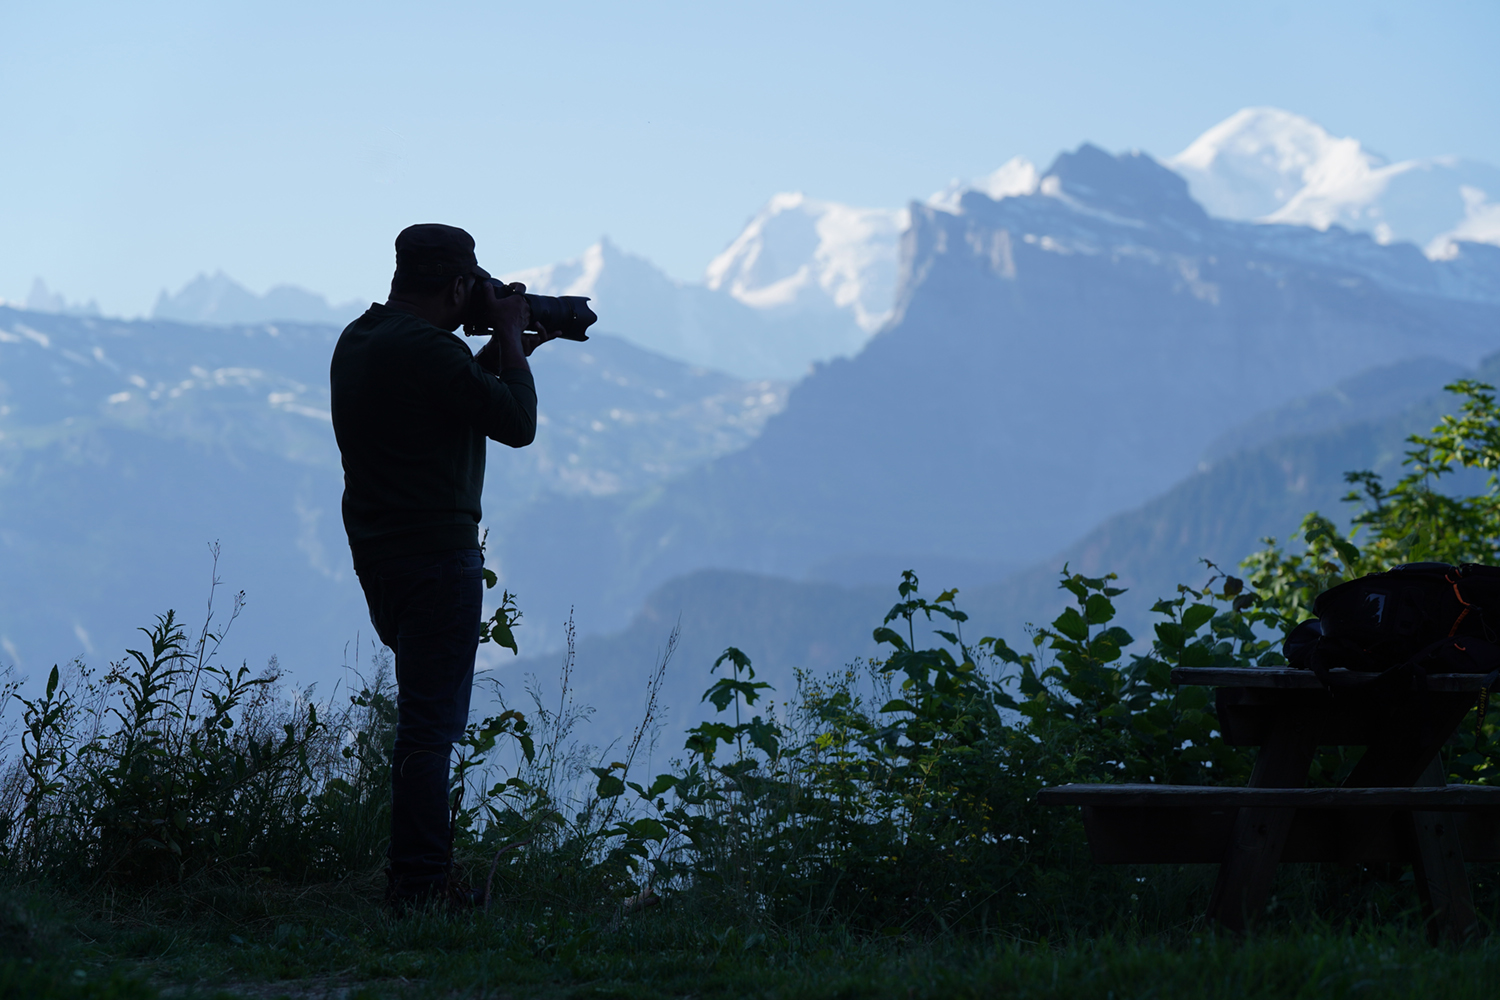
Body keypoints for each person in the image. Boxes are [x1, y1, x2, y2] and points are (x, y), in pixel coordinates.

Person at [329, 223, 553, 911]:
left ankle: (417, 878)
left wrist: (499, 349)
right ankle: (422, 886)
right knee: (430, 731)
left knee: (420, 722)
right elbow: (516, 423)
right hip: (437, 560)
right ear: (459, 285)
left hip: (382, 559)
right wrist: (510, 342)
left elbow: (436, 401)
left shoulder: (362, 340)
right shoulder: (432, 350)